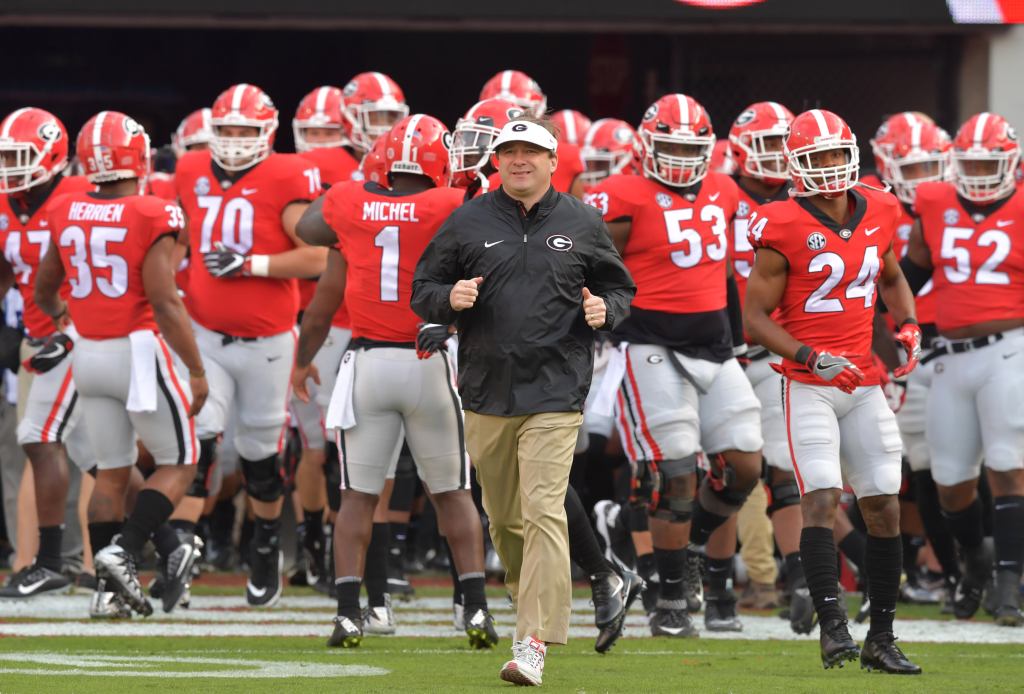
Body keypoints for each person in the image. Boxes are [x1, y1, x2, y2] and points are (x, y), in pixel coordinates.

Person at [411, 115, 635, 686]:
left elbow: (619, 287)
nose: (519, 160)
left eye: (530, 151)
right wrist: (449, 298)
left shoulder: (583, 220)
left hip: (557, 389)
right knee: (507, 521)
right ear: (496, 161)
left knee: (543, 512)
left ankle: (533, 642)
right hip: (486, 389)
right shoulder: (467, 220)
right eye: (509, 151)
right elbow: (422, 290)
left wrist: (606, 310)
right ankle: (529, 604)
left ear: (553, 160)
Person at [294, 113, 500, 650]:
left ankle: (347, 614)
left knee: (358, 497)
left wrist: (363, 202)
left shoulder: (349, 200)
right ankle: (476, 609)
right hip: (429, 358)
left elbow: (308, 229)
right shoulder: (452, 203)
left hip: (367, 364)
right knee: (453, 492)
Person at [743, 108, 922, 674]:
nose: (826, 166)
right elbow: (754, 317)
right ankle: (832, 626)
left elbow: (891, 275)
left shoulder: (880, 206)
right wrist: (810, 356)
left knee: (884, 503)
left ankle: (882, 638)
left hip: (863, 380)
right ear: (796, 165)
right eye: (815, 157)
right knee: (820, 497)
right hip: (808, 383)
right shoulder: (780, 222)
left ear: (852, 155)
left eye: (834, 154)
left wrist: (907, 322)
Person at [586, 93, 764, 636]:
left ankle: (672, 546)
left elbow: (726, 274)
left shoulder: (725, 189)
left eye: (691, 149)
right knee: (674, 473)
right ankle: (669, 601)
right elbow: (586, 267)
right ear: (647, 146)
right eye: (672, 147)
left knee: (744, 465)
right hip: (648, 343)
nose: (683, 159)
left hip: (714, 345)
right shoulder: (622, 193)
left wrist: (737, 342)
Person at [34, 110, 207, 617]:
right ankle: (125, 550)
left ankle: (108, 595)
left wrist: (64, 314)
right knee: (181, 461)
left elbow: (44, 289)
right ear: (139, 157)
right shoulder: (154, 211)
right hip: (138, 352)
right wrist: (197, 369)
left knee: (111, 473)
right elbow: (165, 301)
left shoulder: (64, 207)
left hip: (88, 353)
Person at [172, 83, 326, 607]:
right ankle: (180, 554)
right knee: (197, 443)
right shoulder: (191, 169)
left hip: (268, 341)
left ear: (267, 132)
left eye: (246, 129)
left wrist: (250, 263)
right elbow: (182, 241)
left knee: (261, 456)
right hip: (205, 335)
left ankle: (264, 551)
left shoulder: (287, 173)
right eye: (227, 129)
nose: (235, 139)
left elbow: (318, 257)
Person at [905, 111, 1024, 627]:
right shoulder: (934, 203)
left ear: (1010, 163)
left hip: (1011, 349)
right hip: (949, 357)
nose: (976, 173)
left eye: (986, 164)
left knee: (1007, 463)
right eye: (969, 163)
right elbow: (907, 275)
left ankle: (1010, 581)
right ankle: (976, 559)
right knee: (950, 480)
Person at [0, 107, 97, 599]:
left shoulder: (82, 194)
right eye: (6, 158)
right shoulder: (5, 204)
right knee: (37, 445)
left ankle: (94, 561)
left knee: (94, 453)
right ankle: (31, 561)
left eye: (20, 157)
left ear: (53, 155)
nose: (11, 168)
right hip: (38, 344)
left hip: (88, 339)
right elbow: (6, 268)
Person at [727, 101, 801, 620]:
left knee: (786, 467)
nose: (776, 154)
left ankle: (796, 577)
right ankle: (737, 576)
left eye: (783, 143)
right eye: (767, 143)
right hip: (722, 351)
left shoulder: (807, 198)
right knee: (733, 468)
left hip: (780, 348)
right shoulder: (715, 193)